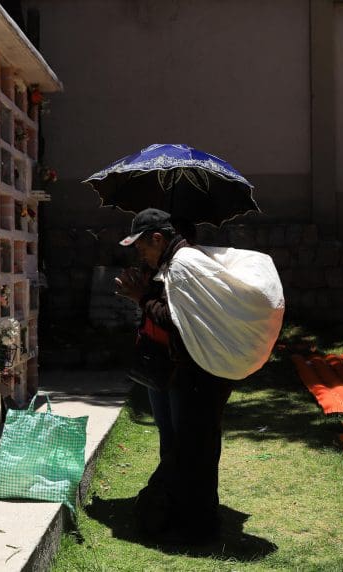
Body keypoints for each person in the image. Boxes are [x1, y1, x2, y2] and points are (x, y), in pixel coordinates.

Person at [115, 208, 232, 543]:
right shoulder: (170, 264)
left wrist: (141, 297)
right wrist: (145, 287)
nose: (140, 254)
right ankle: (183, 514)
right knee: (187, 447)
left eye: (142, 247)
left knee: (196, 450)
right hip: (184, 371)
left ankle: (199, 526)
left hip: (197, 374)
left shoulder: (183, 265)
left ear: (158, 238)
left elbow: (181, 322)